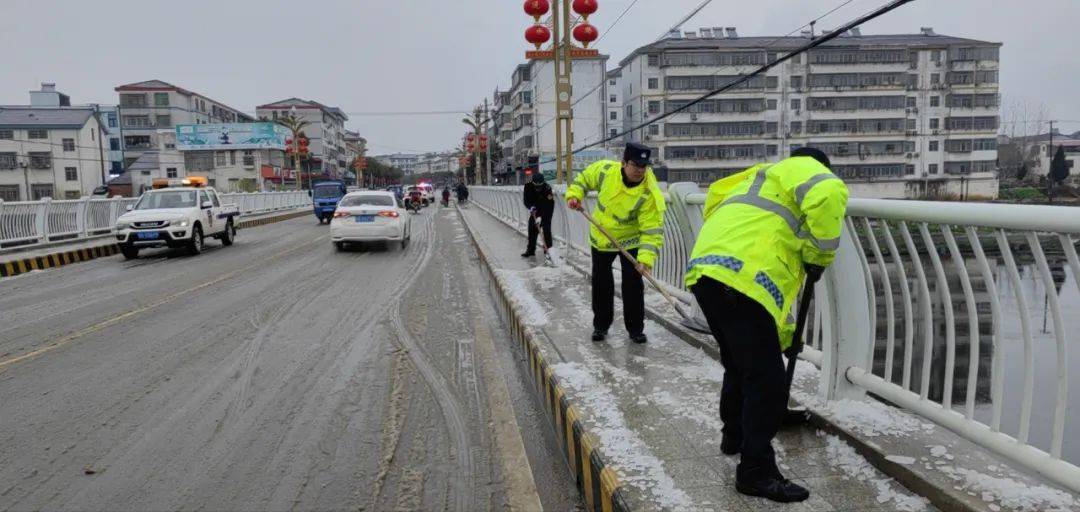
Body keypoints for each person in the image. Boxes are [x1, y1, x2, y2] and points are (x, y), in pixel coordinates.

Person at [684, 147, 848, 503]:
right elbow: (829, 193)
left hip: (709, 270)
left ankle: (735, 436)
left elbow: (714, 199)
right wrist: (818, 256)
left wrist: (786, 337)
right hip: (742, 279)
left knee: (739, 363)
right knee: (767, 379)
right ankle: (755, 471)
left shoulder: (760, 178)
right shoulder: (807, 171)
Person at [565, 142, 665, 344]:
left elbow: (651, 229)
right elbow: (582, 180)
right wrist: (575, 195)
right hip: (602, 237)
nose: (639, 171)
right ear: (623, 163)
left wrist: (645, 259)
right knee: (601, 283)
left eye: (643, 166)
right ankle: (601, 326)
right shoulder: (605, 171)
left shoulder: (649, 192)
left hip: (630, 240)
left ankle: (635, 329)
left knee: (633, 284)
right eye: (635, 165)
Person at [521, 172, 555, 258]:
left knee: (546, 230)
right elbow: (526, 200)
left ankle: (548, 251)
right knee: (532, 228)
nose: (538, 188)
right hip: (534, 210)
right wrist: (530, 207)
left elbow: (549, 204)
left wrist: (542, 217)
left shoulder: (547, 188)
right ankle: (531, 250)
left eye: (540, 186)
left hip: (546, 211)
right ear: (533, 183)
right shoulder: (528, 187)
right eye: (536, 186)